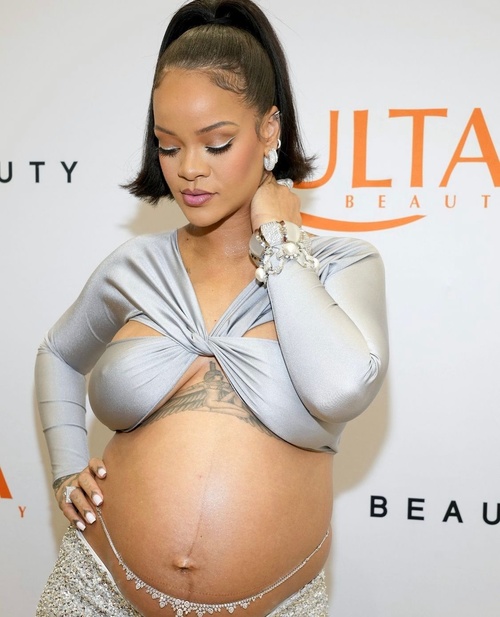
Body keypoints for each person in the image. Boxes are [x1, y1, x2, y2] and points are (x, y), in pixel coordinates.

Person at [35, 0, 389, 615]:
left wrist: (279, 243)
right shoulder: (136, 265)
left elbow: (340, 389)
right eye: (168, 147)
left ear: (269, 130)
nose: (189, 171)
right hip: (94, 588)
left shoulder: (340, 264)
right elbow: (58, 354)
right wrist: (67, 471)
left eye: (216, 143)